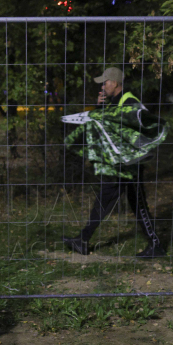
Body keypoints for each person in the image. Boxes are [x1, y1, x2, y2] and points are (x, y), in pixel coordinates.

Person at [63, 67, 167, 258]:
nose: (103, 87)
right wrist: (100, 107)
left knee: (122, 202)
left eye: (105, 83)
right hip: (120, 165)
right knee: (130, 203)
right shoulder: (115, 103)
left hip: (128, 166)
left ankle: (83, 240)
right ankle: (154, 245)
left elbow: (139, 131)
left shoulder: (130, 103)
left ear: (115, 83)